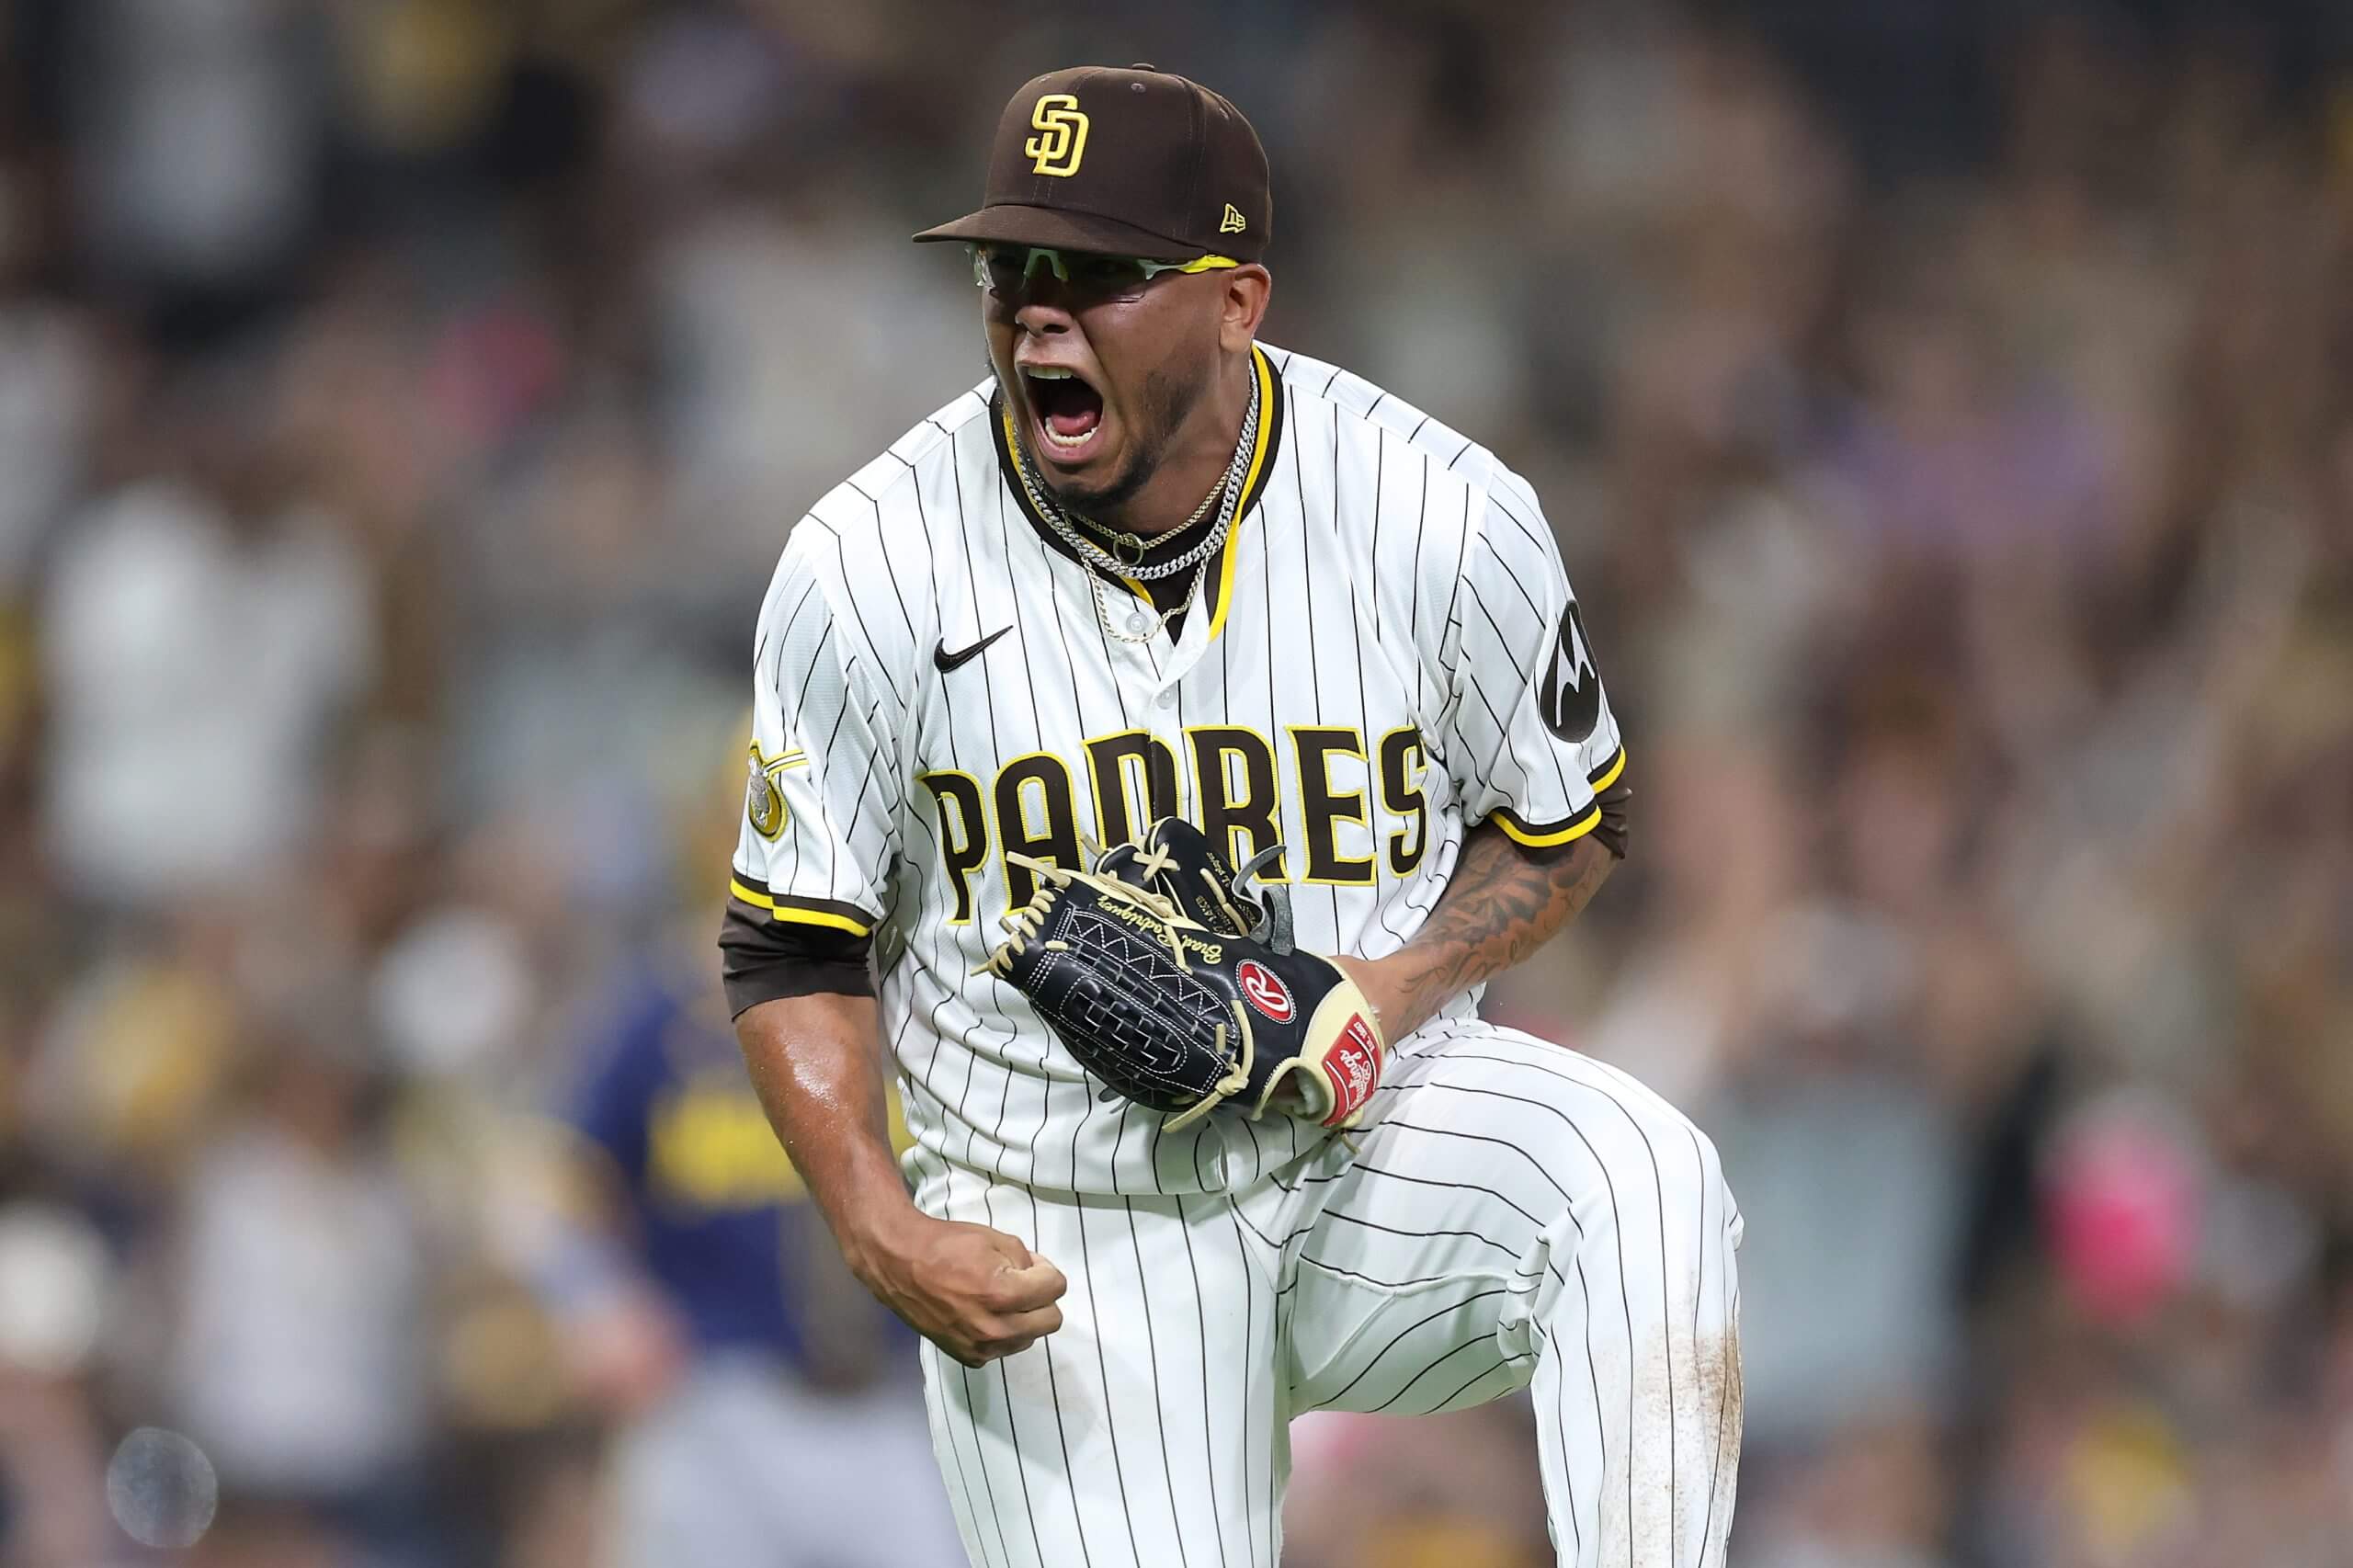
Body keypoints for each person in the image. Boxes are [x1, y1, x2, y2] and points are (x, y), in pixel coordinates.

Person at [721, 63, 1742, 1567]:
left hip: (1374, 1134)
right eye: (1014, 270)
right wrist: (877, 1216)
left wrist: (1386, 995)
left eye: (1104, 273)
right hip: (1062, 1212)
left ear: (1237, 300)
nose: (1038, 314)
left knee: (1643, 1178)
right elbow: (788, 945)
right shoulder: (868, 564)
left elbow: (1569, 817)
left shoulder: (1434, 512)